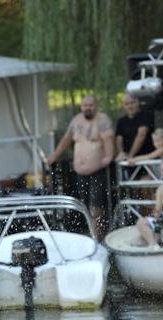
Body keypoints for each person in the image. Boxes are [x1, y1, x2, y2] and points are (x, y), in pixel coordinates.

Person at [46, 94, 114, 239]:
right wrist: (55, 156)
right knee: (84, 207)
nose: (87, 108)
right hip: (79, 172)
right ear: (81, 106)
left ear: (96, 106)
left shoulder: (102, 120)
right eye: (85, 105)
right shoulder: (76, 120)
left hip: (97, 170)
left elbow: (108, 138)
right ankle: (90, 237)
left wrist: (109, 156)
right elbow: (66, 139)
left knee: (97, 208)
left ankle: (100, 239)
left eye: (90, 105)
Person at [115, 94, 155, 162]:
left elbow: (141, 135)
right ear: (123, 106)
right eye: (126, 104)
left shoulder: (146, 115)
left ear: (138, 102)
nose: (130, 106)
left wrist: (130, 156)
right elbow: (119, 139)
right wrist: (121, 153)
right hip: (128, 161)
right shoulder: (121, 121)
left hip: (146, 160)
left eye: (132, 102)